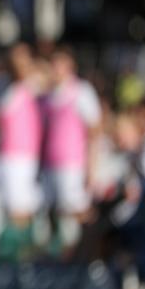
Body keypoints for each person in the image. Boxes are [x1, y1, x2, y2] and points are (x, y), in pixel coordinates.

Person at [42, 45, 101, 252]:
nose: (55, 69)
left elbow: (94, 131)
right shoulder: (49, 96)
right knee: (53, 209)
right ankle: (61, 251)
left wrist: (91, 167)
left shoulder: (81, 91)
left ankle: (90, 250)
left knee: (77, 208)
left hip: (73, 162)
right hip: (52, 162)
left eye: (60, 65)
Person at [0, 42, 42, 260]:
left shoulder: (33, 82)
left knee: (24, 206)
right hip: (11, 155)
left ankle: (23, 253)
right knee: (14, 206)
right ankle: (14, 254)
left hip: (28, 155)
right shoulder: (3, 83)